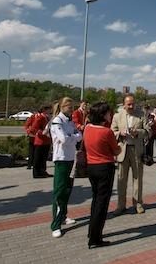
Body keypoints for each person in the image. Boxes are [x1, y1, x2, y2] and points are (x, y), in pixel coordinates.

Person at [84, 102, 121, 249]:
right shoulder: (106, 132)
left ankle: (91, 231)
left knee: (95, 200)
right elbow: (116, 151)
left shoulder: (87, 128)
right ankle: (95, 237)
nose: (110, 115)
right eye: (108, 113)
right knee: (102, 203)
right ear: (102, 115)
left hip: (91, 166)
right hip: (105, 167)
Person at [50, 97, 82, 238]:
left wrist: (72, 136)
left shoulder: (70, 122)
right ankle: (55, 225)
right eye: (69, 107)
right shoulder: (57, 121)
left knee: (68, 190)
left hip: (70, 158)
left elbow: (79, 136)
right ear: (63, 107)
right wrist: (72, 137)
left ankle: (63, 215)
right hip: (61, 159)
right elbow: (63, 139)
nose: (71, 109)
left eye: (72, 107)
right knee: (59, 191)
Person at [112, 94, 146, 215]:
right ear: (124, 104)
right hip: (122, 150)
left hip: (137, 150)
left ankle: (138, 203)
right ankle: (121, 205)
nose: (131, 106)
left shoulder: (141, 115)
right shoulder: (117, 116)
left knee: (137, 178)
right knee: (121, 179)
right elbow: (112, 131)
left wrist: (137, 132)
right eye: (129, 104)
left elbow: (148, 131)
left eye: (133, 104)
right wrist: (119, 133)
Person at [29, 105, 52, 178]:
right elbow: (34, 128)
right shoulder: (40, 117)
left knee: (43, 158)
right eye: (49, 109)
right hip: (40, 141)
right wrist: (42, 133)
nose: (50, 111)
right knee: (38, 158)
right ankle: (36, 173)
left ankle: (43, 171)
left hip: (46, 140)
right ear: (45, 110)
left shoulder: (47, 117)